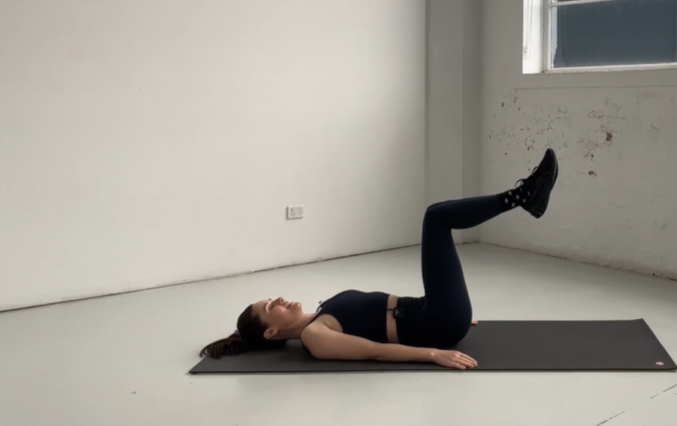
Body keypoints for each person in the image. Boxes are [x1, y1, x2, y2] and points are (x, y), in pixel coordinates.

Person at [199, 148, 558, 370]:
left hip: (433, 311)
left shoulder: (323, 311)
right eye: (271, 306)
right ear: (272, 331)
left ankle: (524, 197)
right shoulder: (315, 336)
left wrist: (451, 306)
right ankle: (523, 196)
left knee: (436, 215)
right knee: (435, 218)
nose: (278, 298)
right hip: (436, 325)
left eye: (271, 297)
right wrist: (434, 353)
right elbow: (375, 352)